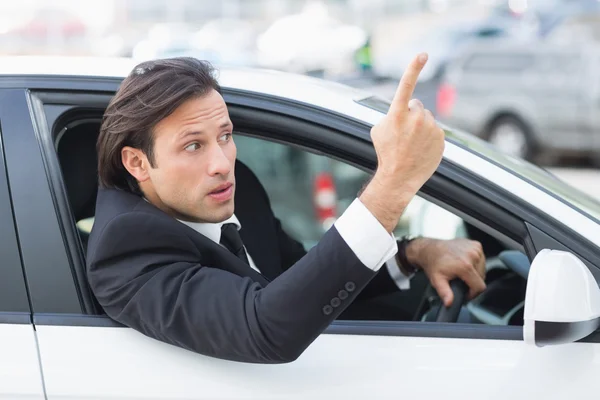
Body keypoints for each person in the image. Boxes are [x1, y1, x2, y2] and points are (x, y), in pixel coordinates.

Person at [87, 54, 486, 363]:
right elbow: (268, 328)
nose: (222, 163)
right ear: (138, 163)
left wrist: (413, 253)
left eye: (225, 136)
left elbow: (304, 277)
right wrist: (393, 183)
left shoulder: (228, 189)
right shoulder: (126, 249)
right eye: (193, 145)